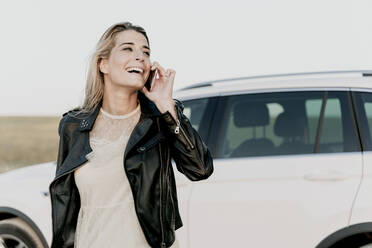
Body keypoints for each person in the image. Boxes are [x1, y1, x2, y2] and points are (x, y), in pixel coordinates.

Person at [48, 21, 214, 248]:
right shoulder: (73, 125)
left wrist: (167, 107)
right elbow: (66, 204)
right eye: (128, 48)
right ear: (103, 63)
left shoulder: (159, 120)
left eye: (145, 52)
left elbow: (200, 169)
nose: (140, 57)